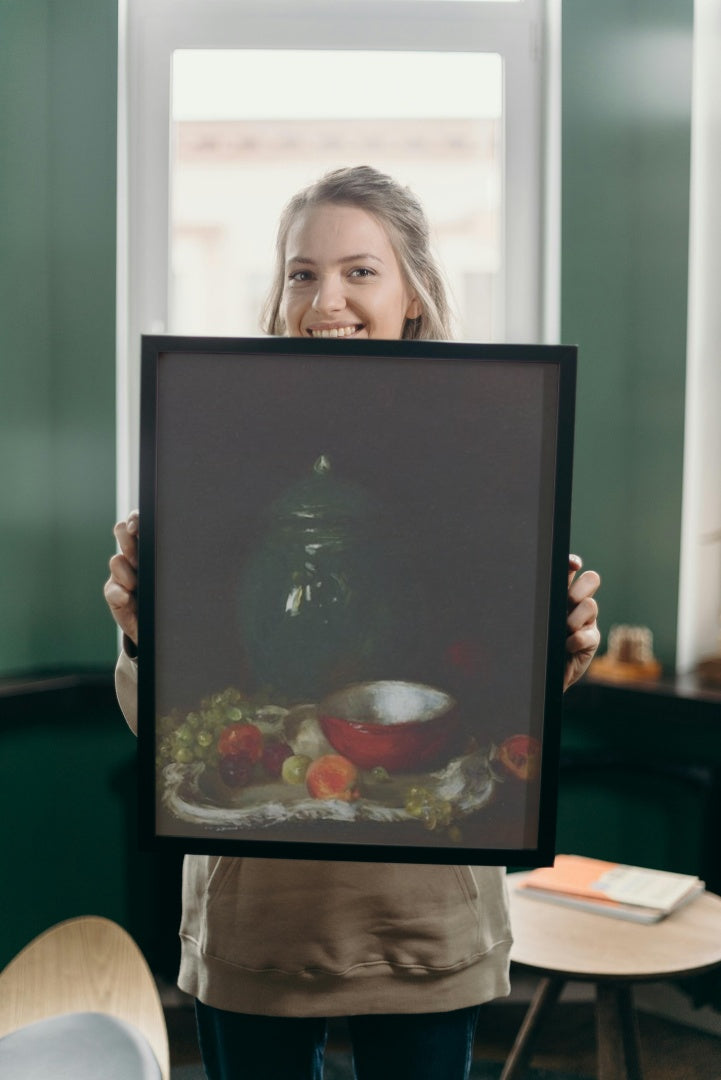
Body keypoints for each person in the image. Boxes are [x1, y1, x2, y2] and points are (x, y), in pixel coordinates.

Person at [105, 166, 601, 1080]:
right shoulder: (210, 437)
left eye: (359, 271)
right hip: (258, 919)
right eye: (301, 272)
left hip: (422, 919)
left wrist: (558, 650)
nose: (324, 298)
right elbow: (168, 729)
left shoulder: (489, 444)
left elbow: (497, 708)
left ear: (413, 291)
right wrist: (142, 636)